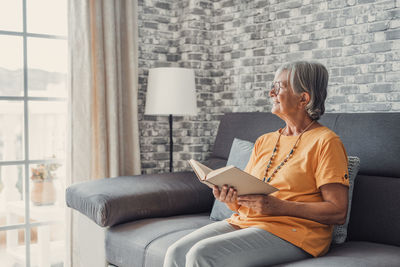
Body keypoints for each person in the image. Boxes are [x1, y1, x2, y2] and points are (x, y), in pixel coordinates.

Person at [163, 61, 350, 267]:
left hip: (296, 233)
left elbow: (338, 211)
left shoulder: (326, 141)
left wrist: (280, 206)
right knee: (176, 252)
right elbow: (247, 198)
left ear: (303, 98)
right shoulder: (265, 141)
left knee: (202, 254)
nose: (271, 92)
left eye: (279, 87)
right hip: (247, 222)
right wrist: (230, 197)